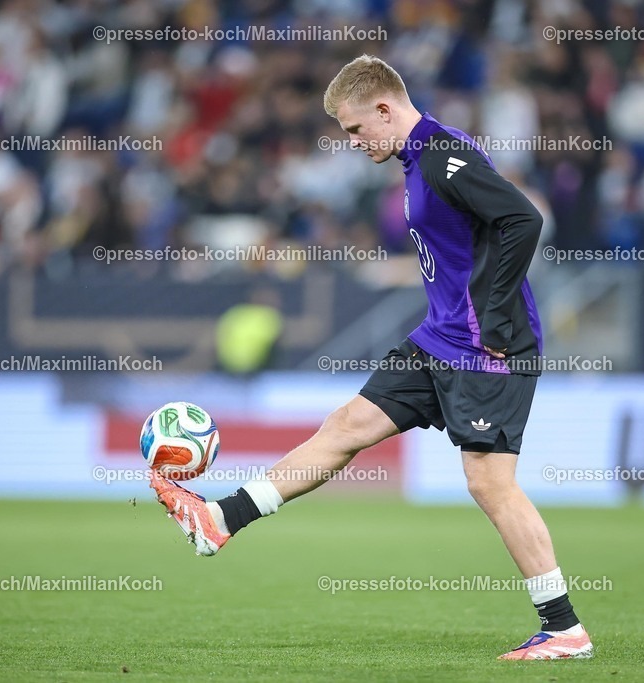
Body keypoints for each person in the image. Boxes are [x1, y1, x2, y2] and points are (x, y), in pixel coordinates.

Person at [150, 55, 593, 661]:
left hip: (488, 348)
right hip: (441, 338)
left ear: (385, 110)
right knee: (347, 426)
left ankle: (564, 627)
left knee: (489, 483)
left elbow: (523, 217)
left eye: (357, 130)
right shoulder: (417, 160)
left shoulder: (442, 156)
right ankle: (220, 521)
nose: (353, 142)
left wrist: (493, 316)